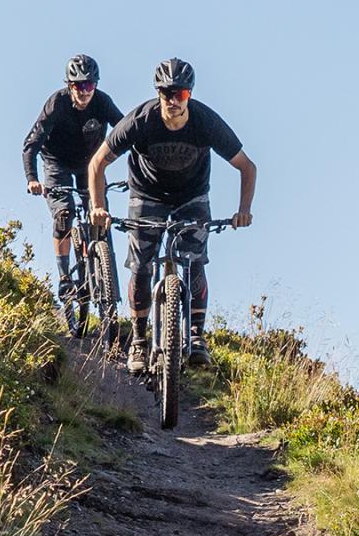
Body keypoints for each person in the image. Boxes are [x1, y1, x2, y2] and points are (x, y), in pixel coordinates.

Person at [88, 57, 256, 371]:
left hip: (192, 197)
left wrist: (243, 211)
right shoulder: (141, 120)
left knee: (193, 260)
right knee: (141, 266)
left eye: (180, 95)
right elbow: (97, 163)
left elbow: (247, 167)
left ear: (189, 95)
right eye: (166, 93)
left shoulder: (205, 122)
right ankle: (138, 342)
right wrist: (98, 206)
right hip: (146, 195)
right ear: (158, 93)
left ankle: (195, 336)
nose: (173, 101)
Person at [23, 54, 123, 337]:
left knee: (100, 216)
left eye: (89, 85)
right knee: (64, 214)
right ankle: (66, 275)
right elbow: (30, 145)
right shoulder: (57, 104)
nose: (84, 91)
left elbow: (126, 130)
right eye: (78, 86)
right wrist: (33, 179)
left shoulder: (102, 102)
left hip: (89, 165)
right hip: (56, 164)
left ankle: (106, 279)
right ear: (69, 86)